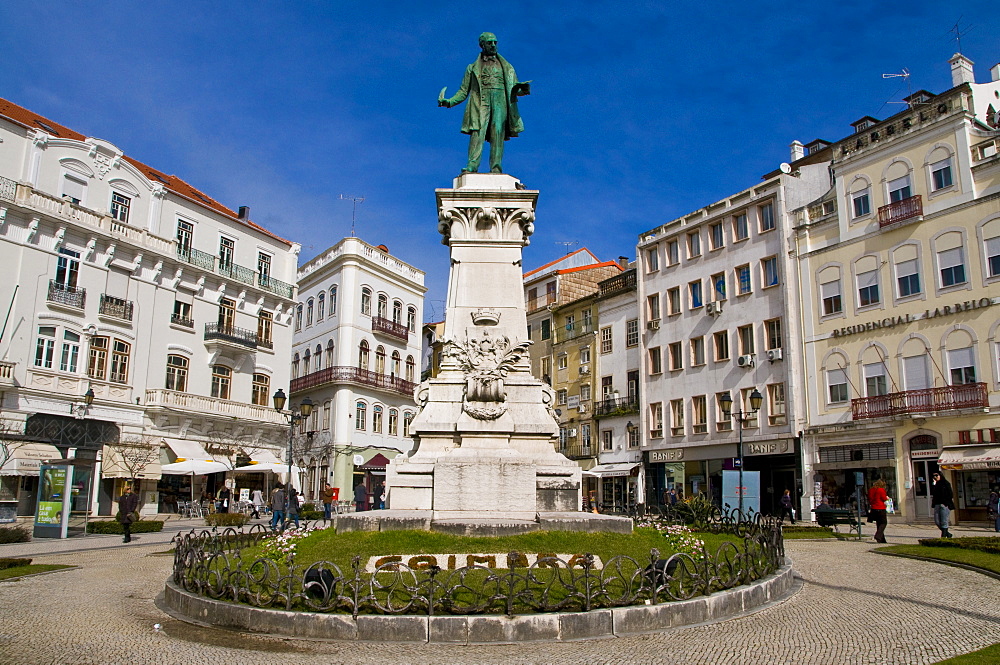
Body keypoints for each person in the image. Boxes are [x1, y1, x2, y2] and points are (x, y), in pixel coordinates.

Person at [438, 32, 531, 174]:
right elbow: (463, 91)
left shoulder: (507, 67)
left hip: (500, 100)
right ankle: (472, 165)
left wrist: (522, 89)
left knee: (498, 131)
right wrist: (449, 102)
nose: (493, 45)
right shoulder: (472, 68)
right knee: (477, 132)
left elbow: (514, 88)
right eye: (490, 43)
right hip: (481, 101)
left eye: (495, 42)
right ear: (482, 45)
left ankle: (496, 167)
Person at [930, 471, 955, 538]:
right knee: (937, 521)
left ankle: (943, 537)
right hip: (937, 504)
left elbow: (950, 494)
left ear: (940, 475)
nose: (935, 477)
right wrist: (934, 484)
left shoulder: (946, 483)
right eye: (934, 476)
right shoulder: (936, 485)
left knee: (944, 521)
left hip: (944, 505)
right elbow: (933, 494)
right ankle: (948, 534)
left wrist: (945, 502)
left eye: (936, 475)